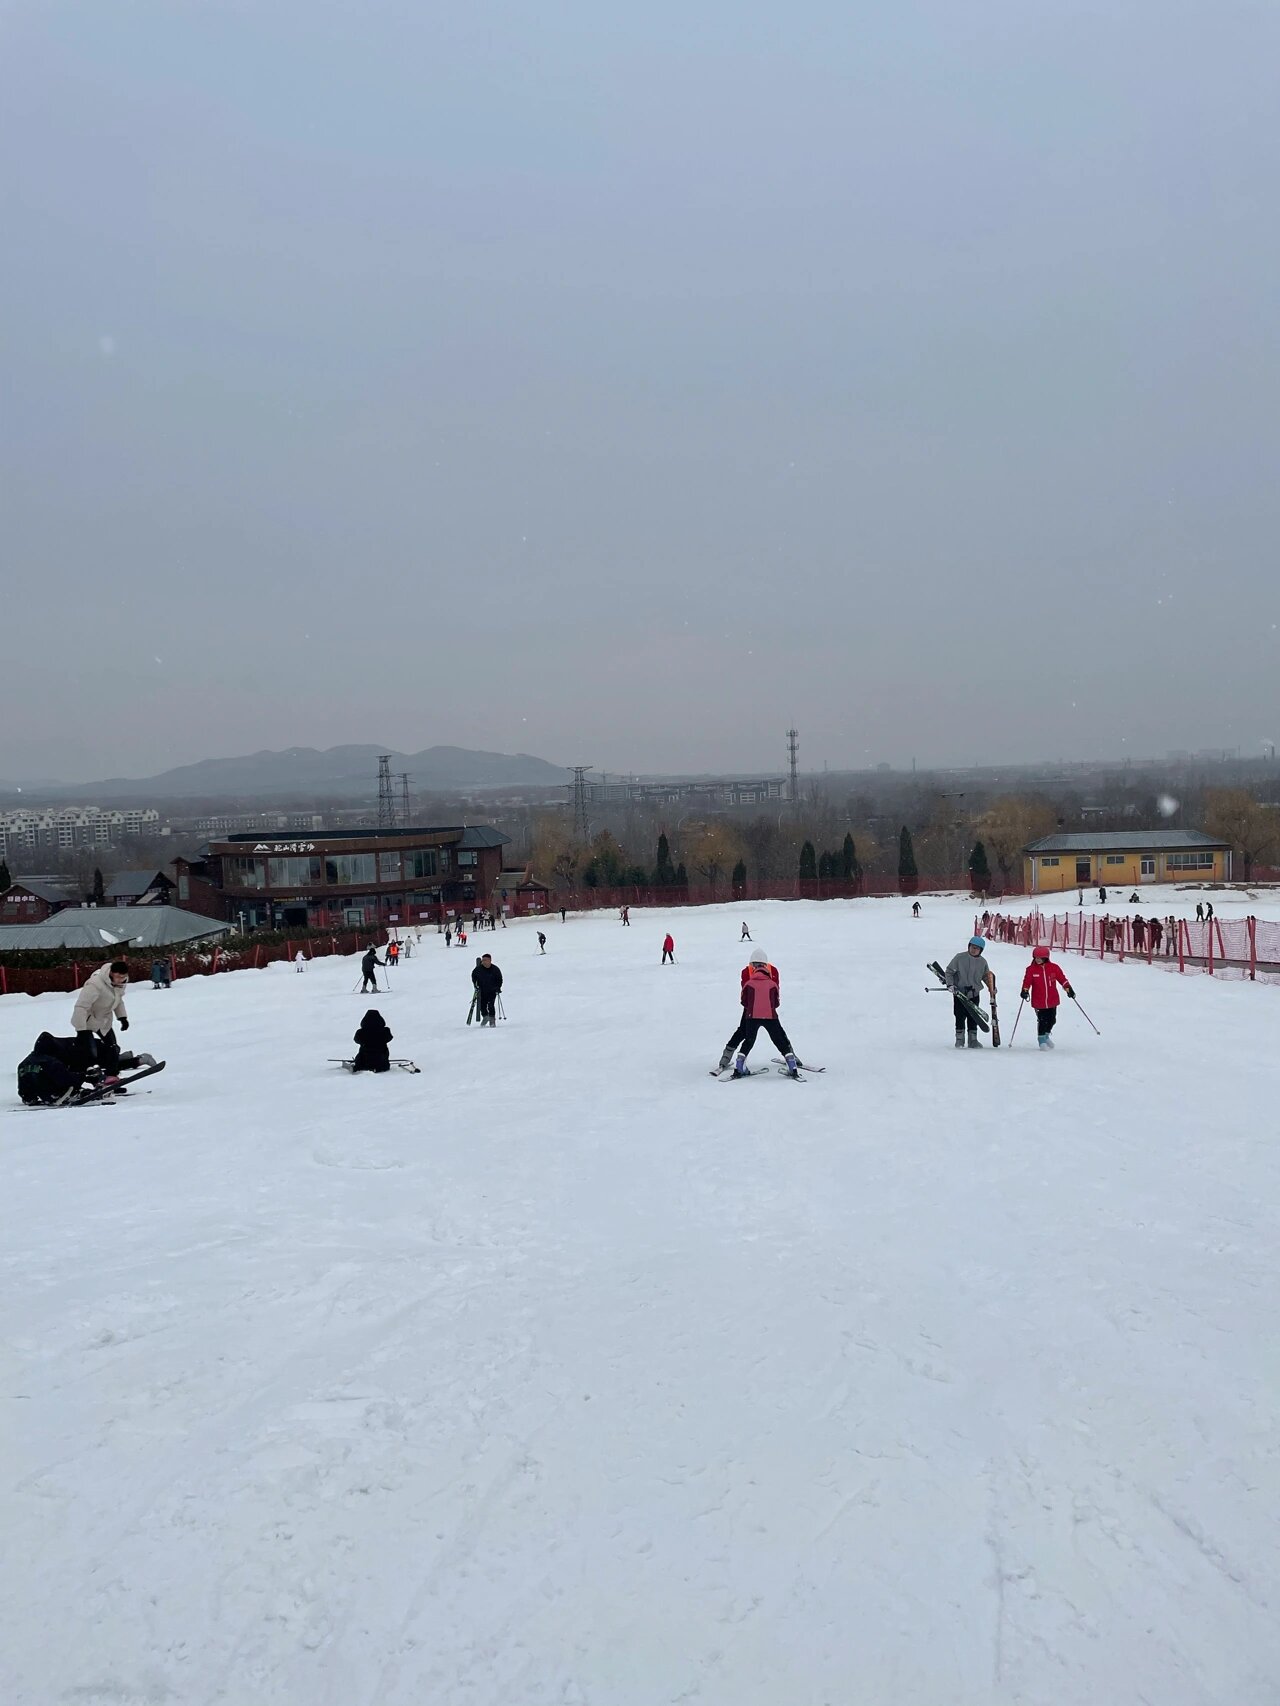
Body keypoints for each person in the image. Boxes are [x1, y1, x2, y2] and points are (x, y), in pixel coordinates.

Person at [721, 947, 799, 1077]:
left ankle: (727, 1058)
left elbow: (744, 992)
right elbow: (776, 991)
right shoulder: (772, 971)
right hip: (769, 1010)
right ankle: (791, 1058)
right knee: (779, 1035)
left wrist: (751, 1005)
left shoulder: (746, 972)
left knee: (745, 1035)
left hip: (751, 1010)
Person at [71, 959, 130, 1077]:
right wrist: (81, 1030)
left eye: (123, 977)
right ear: (111, 973)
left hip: (104, 1021)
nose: (121, 980)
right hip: (87, 1021)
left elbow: (118, 1001)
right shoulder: (95, 984)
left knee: (112, 1048)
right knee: (89, 1053)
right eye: (118, 976)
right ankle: (93, 1079)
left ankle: (112, 1077)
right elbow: (81, 1007)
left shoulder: (120, 985)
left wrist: (122, 1018)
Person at [944, 936, 994, 1049]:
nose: (973, 949)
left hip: (974, 994)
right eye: (972, 947)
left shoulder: (982, 962)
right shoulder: (959, 958)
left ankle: (973, 1040)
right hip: (960, 994)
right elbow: (949, 972)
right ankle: (960, 1039)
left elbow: (986, 976)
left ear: (981, 950)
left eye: (977, 948)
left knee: (973, 1017)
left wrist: (991, 987)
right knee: (959, 1016)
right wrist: (950, 984)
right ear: (969, 946)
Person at [1020, 945, 1074, 1050]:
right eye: (1036, 958)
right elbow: (1027, 982)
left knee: (1052, 1020)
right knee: (1042, 1020)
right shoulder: (1031, 970)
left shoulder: (1054, 968)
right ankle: (1041, 1040)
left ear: (1046, 958)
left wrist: (1068, 988)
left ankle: (1046, 1035)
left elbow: (1062, 979)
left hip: (1052, 1000)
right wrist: (1025, 990)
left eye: (1040, 958)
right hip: (1039, 1001)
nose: (1038, 960)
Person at [473, 953, 503, 1026]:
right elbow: (474, 977)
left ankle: (492, 1020)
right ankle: (485, 1017)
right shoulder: (478, 969)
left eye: (485, 960)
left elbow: (499, 979)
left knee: (491, 1005)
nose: (483, 962)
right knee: (482, 1005)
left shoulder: (495, 969)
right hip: (482, 991)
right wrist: (476, 985)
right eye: (483, 960)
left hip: (492, 990)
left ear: (490, 960)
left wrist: (498, 987)